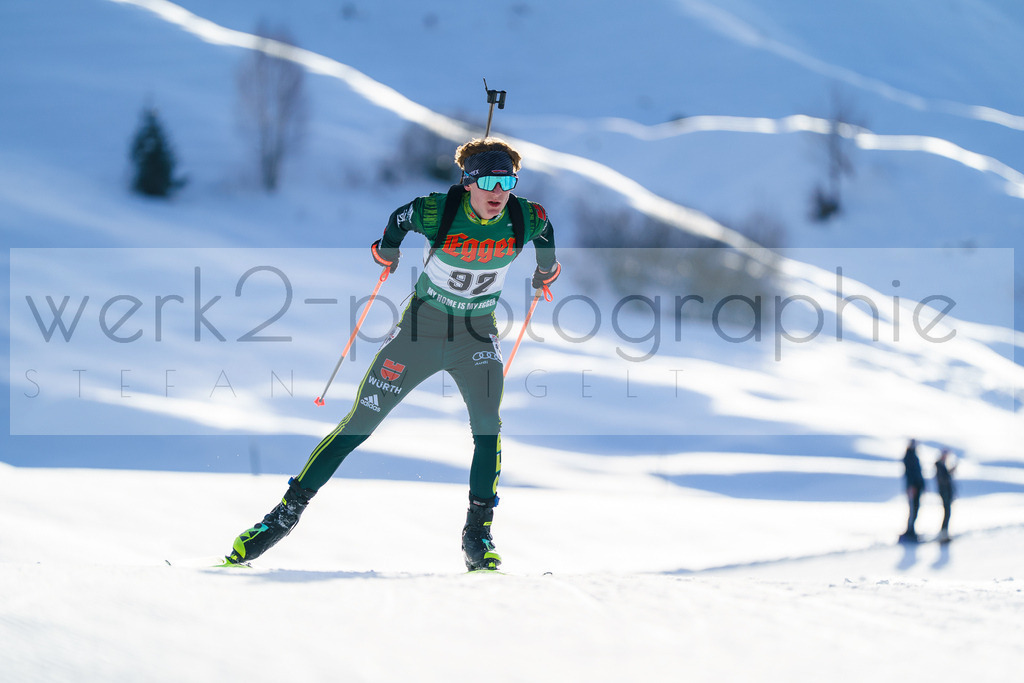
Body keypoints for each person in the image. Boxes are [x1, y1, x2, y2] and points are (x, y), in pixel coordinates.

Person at [222, 137, 560, 571]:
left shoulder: (523, 215)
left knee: (488, 427)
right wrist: (387, 249)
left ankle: (478, 535)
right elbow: (399, 219)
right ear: (469, 182)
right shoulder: (437, 210)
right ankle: (280, 519)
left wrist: (545, 268)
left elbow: (546, 231)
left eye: (507, 181)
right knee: (358, 424)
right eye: (489, 181)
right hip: (419, 332)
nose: (499, 192)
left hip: (475, 337)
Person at [899, 439, 925, 543]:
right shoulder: (909, 456)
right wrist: (911, 486)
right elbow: (909, 472)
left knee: (916, 508)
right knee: (913, 509)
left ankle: (912, 530)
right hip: (913, 487)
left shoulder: (914, 455)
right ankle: (909, 532)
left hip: (917, 486)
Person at [935, 449, 957, 543]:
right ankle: (943, 533)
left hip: (947, 492)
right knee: (947, 512)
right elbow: (943, 479)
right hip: (944, 492)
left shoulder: (942, 466)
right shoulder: (939, 466)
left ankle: (944, 532)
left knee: (948, 512)